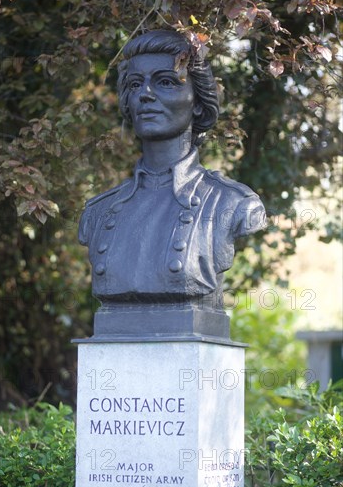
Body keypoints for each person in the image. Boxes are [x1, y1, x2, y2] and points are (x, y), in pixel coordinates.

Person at [79, 30, 266, 311]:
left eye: (165, 82)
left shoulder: (233, 204)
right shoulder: (97, 212)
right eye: (134, 84)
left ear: (199, 105)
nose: (145, 94)